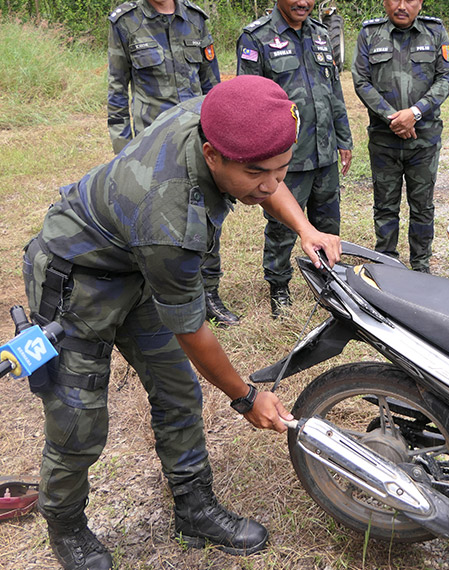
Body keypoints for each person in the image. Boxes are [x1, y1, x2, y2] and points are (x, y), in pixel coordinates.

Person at [22, 76, 341, 570]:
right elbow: (191, 330)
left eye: (283, 169)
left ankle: (194, 511)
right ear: (212, 155)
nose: (271, 185)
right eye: (256, 173)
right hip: (76, 278)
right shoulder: (170, 219)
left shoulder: (224, 116)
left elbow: (265, 172)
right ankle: (65, 525)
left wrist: (305, 228)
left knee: (177, 391)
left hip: (138, 266)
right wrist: (246, 397)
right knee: (77, 418)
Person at [107, 0, 242, 327]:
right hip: (154, 144)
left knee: (208, 214)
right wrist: (125, 153)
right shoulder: (125, 22)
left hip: (199, 137)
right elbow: (117, 91)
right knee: (157, 220)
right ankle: (159, 296)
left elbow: (212, 85)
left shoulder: (195, 20)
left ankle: (209, 293)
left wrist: (222, 135)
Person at [237, 0, 353, 316]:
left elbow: (334, 90)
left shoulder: (321, 33)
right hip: (285, 156)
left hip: (324, 149)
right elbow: (249, 101)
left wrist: (343, 137)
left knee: (328, 219)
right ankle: (279, 286)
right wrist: (261, 154)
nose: (303, 2)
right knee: (282, 225)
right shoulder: (257, 37)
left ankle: (330, 280)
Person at [352, 0, 449, 273]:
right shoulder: (370, 34)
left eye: (409, 0)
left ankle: (421, 266)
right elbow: (361, 80)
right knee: (385, 206)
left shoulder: (435, 32)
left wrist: (415, 112)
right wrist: (393, 117)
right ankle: (386, 263)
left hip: (424, 141)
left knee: (422, 206)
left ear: (420, 3)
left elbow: (446, 78)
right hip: (384, 140)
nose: (401, 6)